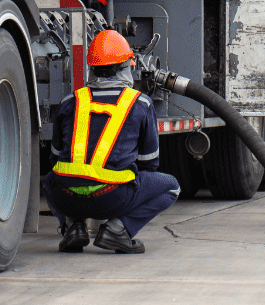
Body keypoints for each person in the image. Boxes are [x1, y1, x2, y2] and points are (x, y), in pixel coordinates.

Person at [43, 29, 179, 254]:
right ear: (127, 66)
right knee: (171, 187)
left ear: (92, 68)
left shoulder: (70, 101)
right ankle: (117, 230)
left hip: (65, 198)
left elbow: (55, 158)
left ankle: (72, 227)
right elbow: (149, 164)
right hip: (113, 198)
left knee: (51, 179)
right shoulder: (140, 104)